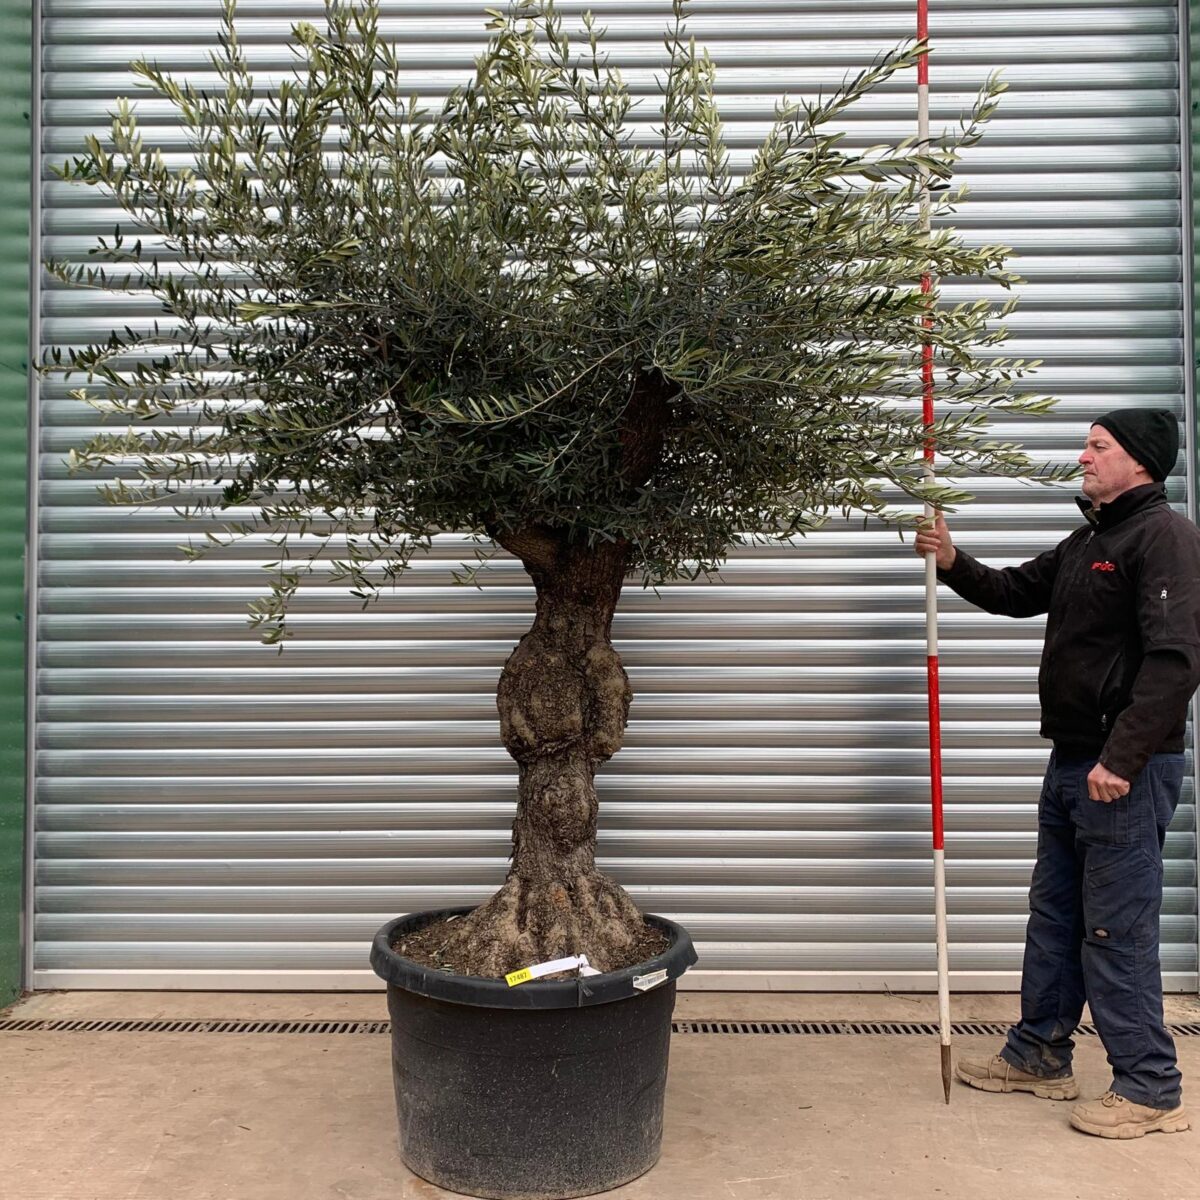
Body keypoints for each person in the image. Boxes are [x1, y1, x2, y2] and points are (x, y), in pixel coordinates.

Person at [914, 407, 1200, 1139]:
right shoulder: (1090, 540)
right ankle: (1040, 1053)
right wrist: (952, 561)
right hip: (1073, 760)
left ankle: (1150, 1088)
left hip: (1121, 772)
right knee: (1056, 918)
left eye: (1098, 447)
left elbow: (1175, 661)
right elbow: (1015, 593)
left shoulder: (1163, 538)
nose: (1083, 457)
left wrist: (1121, 759)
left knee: (1115, 930)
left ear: (1139, 461)